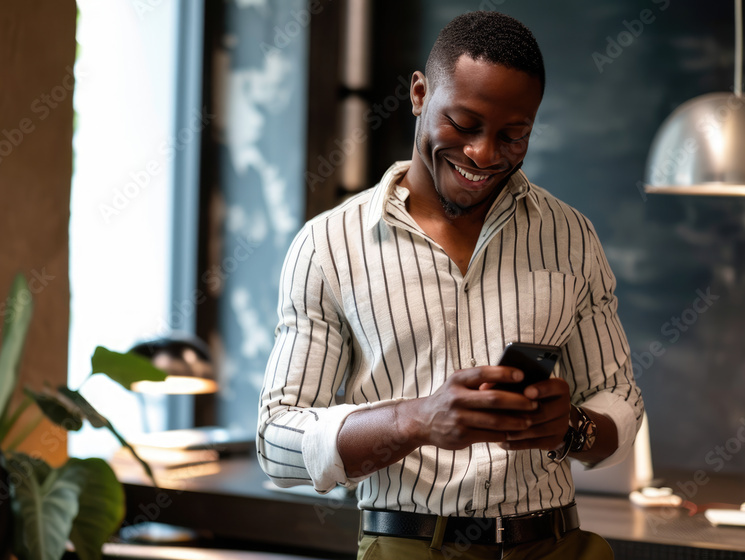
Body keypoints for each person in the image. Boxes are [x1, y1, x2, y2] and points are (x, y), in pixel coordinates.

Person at [258, 11, 643, 559]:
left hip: (555, 546)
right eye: (463, 125)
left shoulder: (571, 236)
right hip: (410, 548)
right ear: (419, 94)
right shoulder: (327, 246)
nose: (484, 155)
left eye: (513, 135)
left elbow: (621, 400)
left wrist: (572, 426)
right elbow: (277, 440)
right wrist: (417, 419)